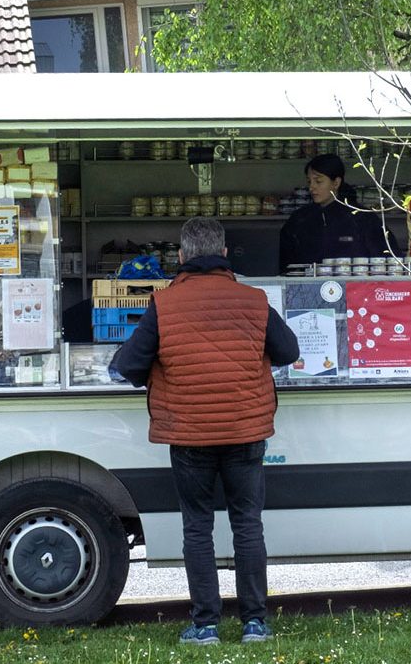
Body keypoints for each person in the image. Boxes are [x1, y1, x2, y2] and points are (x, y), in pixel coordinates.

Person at [112, 217, 299, 646]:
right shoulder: (254, 300)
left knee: (197, 527)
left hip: (189, 433)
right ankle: (255, 623)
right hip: (245, 430)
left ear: (181, 256)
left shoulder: (164, 304)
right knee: (247, 524)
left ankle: (205, 625)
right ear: (225, 254)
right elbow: (288, 351)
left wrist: (161, 370)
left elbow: (129, 365)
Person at [278, 153, 397, 272]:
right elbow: (286, 266)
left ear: (336, 183)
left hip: (355, 282)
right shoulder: (299, 220)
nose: (312, 187)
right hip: (308, 282)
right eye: (309, 182)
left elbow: (388, 262)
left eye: (318, 181)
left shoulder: (362, 218)